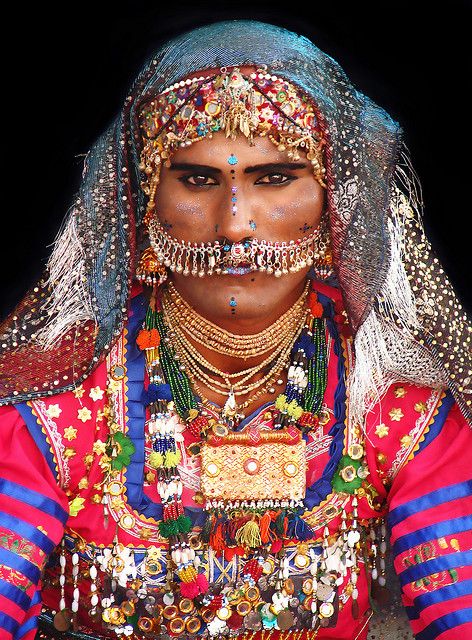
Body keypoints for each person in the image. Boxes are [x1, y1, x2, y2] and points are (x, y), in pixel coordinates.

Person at [0, 19, 471, 640]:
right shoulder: (59, 391)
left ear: (334, 200)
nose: (235, 226)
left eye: (274, 179)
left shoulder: (392, 394)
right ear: (145, 199)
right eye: (197, 179)